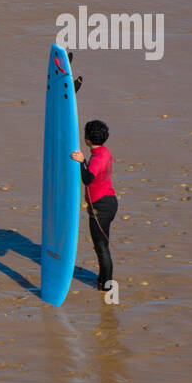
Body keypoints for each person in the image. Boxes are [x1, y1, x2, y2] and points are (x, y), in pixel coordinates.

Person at [70, 120, 117, 291]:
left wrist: (82, 162)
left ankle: (107, 285)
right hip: (109, 202)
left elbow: (88, 179)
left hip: (101, 207)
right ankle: (102, 280)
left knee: (101, 248)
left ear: (88, 138)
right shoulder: (104, 151)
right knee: (102, 245)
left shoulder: (97, 158)